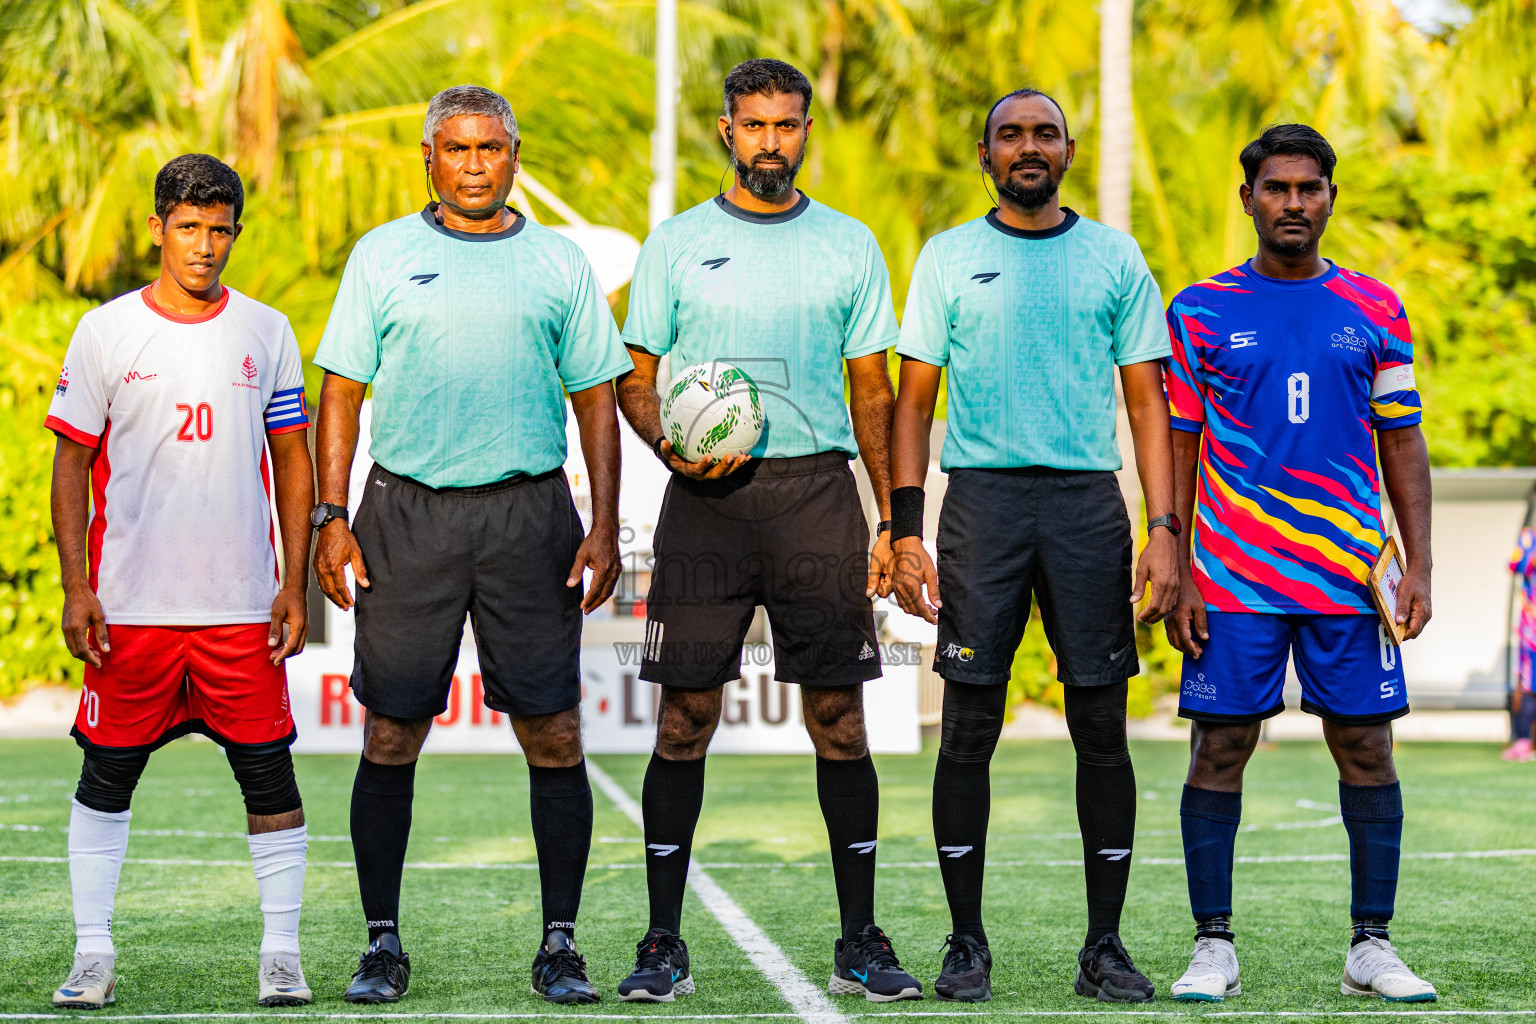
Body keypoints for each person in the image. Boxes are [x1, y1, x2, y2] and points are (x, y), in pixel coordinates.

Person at [311, 85, 630, 1005]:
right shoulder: (383, 255)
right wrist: (333, 517)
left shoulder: (558, 262)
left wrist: (603, 523)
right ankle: (381, 945)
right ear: (430, 160)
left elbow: (597, 399)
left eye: (491, 148)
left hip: (529, 517)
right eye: (457, 149)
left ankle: (560, 945)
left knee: (554, 733)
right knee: (391, 731)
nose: (475, 164)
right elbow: (340, 393)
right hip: (405, 515)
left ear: (514, 156)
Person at [613, 58, 921, 1004]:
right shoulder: (675, 243)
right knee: (684, 717)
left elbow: (874, 390)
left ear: (805, 133)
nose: (771, 143)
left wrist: (889, 521)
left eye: (787, 126)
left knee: (838, 717)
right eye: (755, 126)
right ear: (726, 130)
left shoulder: (848, 244)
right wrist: (670, 441)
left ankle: (860, 938)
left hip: (816, 496)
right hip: (704, 502)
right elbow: (633, 374)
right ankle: (662, 940)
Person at [890, 89, 1178, 1004]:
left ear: (1068, 150)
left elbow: (1147, 402)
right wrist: (903, 527)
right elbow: (913, 401)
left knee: (1101, 727)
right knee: (969, 726)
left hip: (1089, 507)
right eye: (1011, 134)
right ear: (985, 155)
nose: (1028, 147)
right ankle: (966, 944)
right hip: (981, 508)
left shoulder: (1114, 256)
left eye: (1044, 133)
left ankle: (1105, 948)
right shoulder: (949, 258)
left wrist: (1165, 528)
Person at [1162, 123, 1436, 1003]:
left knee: (1365, 746)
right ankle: (1213, 946)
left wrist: (1418, 564)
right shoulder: (1199, 309)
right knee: (1220, 749)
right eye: (1275, 188)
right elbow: (1176, 445)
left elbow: (1404, 441)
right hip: (1233, 577)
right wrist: (1175, 560)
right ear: (1247, 199)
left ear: (1329, 197)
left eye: (1308, 188)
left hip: (1352, 580)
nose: (1292, 202)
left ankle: (1372, 946)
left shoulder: (1376, 306)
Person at [45, 154, 316, 1009]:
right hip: (132, 609)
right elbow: (69, 464)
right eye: (189, 228)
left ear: (236, 232)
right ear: (158, 228)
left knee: (270, 780)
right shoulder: (104, 331)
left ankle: (281, 954)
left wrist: (294, 583)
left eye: (221, 230)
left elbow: (293, 463)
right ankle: (92, 955)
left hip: (241, 608)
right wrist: (76, 586)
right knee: (106, 780)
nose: (205, 246)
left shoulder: (267, 331)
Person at [1505, 525, 1536, 761]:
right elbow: (1515, 564)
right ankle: (1523, 741)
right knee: (1528, 684)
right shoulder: (1529, 537)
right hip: (1532, 630)